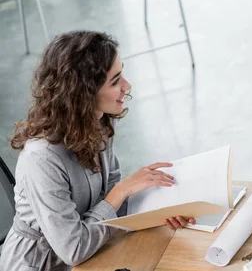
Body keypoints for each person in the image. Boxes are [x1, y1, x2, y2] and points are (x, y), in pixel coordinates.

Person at [0, 31, 194, 271]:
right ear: (82, 94)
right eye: (115, 81)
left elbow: (110, 196)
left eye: (121, 73)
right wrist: (122, 190)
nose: (127, 86)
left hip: (93, 247)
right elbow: (74, 248)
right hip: (42, 264)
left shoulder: (99, 120)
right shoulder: (41, 157)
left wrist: (160, 209)